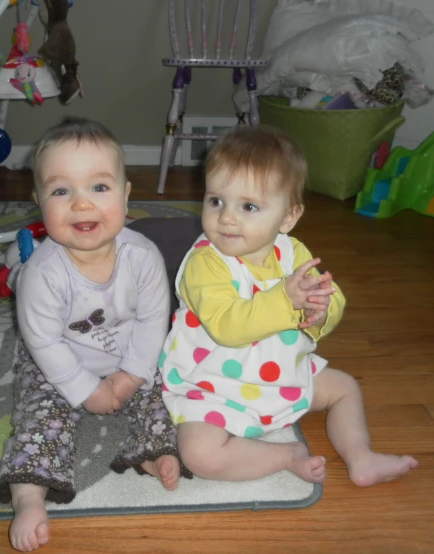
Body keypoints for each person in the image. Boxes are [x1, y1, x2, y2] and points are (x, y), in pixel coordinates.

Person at [159, 125, 418, 488]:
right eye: (216, 200)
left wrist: (322, 312)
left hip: (282, 372)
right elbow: (228, 326)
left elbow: (331, 294)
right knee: (199, 454)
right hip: (214, 383)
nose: (227, 217)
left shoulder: (293, 252)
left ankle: (361, 456)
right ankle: (286, 455)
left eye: (248, 206)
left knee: (344, 388)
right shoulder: (206, 263)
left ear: (288, 217)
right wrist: (284, 300)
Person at [0, 117, 190, 552]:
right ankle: (28, 495)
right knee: (39, 417)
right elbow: (44, 341)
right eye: (61, 191)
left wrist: (129, 378)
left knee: (171, 394)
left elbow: (153, 320)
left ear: (125, 195)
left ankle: (154, 450)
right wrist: (85, 390)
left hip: (129, 356)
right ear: (39, 202)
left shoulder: (142, 256)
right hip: (59, 362)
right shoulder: (41, 273)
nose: (81, 205)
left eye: (99, 188)